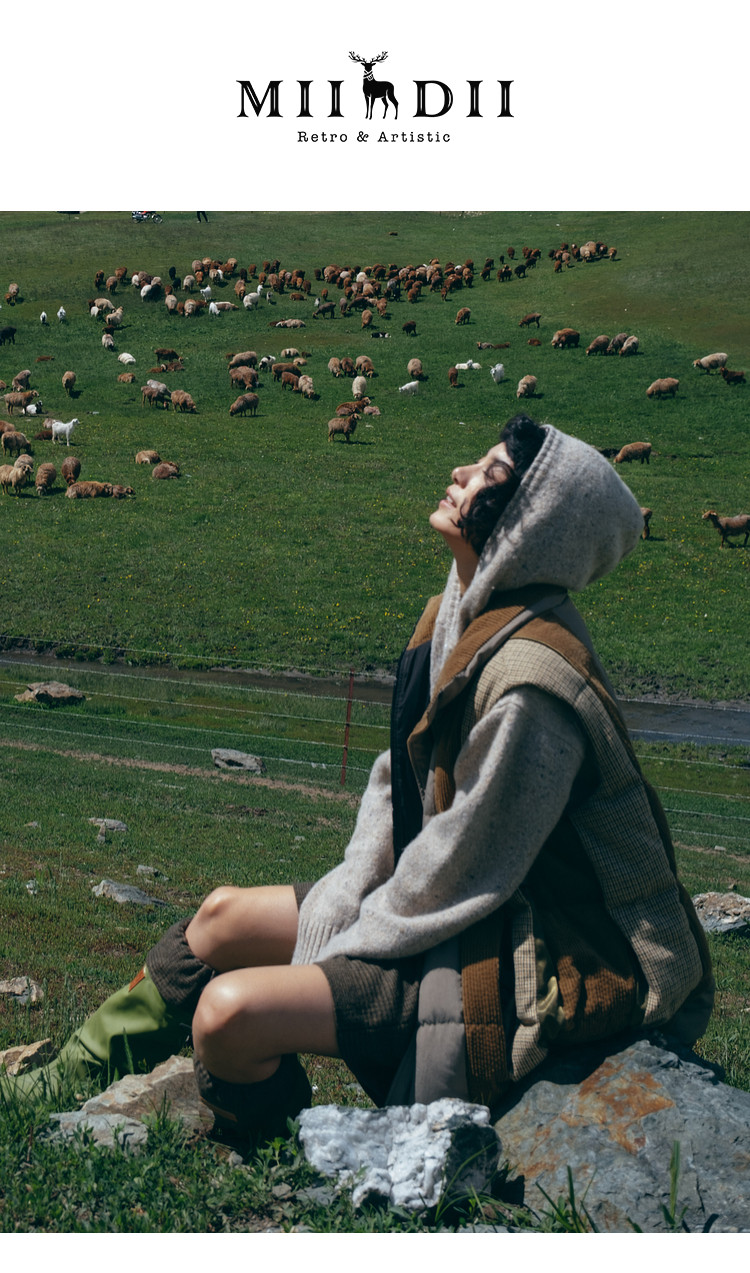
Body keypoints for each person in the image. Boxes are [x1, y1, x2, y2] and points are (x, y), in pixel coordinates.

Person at [3, 416, 713, 1136]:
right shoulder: (456, 617)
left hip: (534, 958)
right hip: (457, 911)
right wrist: (343, 898)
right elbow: (395, 783)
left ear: (533, 528)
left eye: (489, 475)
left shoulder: (532, 686)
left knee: (226, 1013)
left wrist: (341, 951)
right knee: (220, 916)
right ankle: (60, 1081)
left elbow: (465, 866)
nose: (461, 473)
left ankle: (284, 1149)